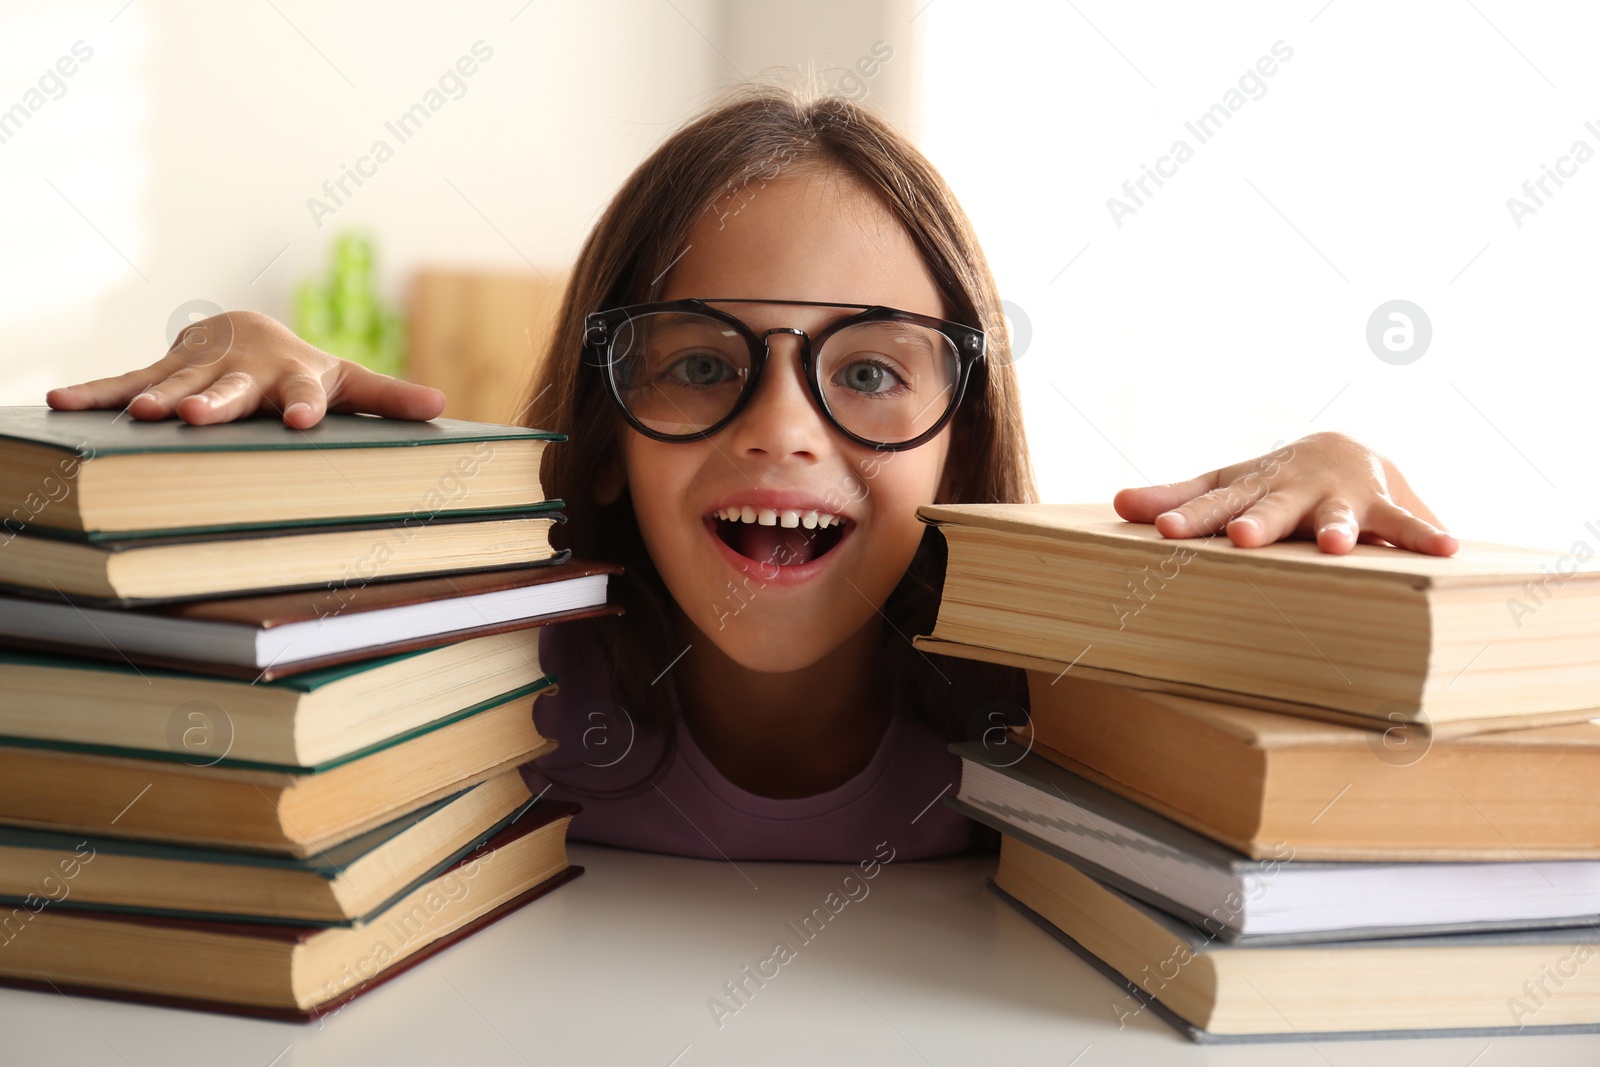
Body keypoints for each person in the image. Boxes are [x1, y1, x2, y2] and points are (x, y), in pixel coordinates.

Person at [46, 84, 1457, 863]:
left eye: (871, 371)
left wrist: (1330, 486)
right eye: (703, 363)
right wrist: (239, 416)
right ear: (599, 431)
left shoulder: (1066, 724)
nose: (783, 428)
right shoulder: (469, 694)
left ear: (964, 437)